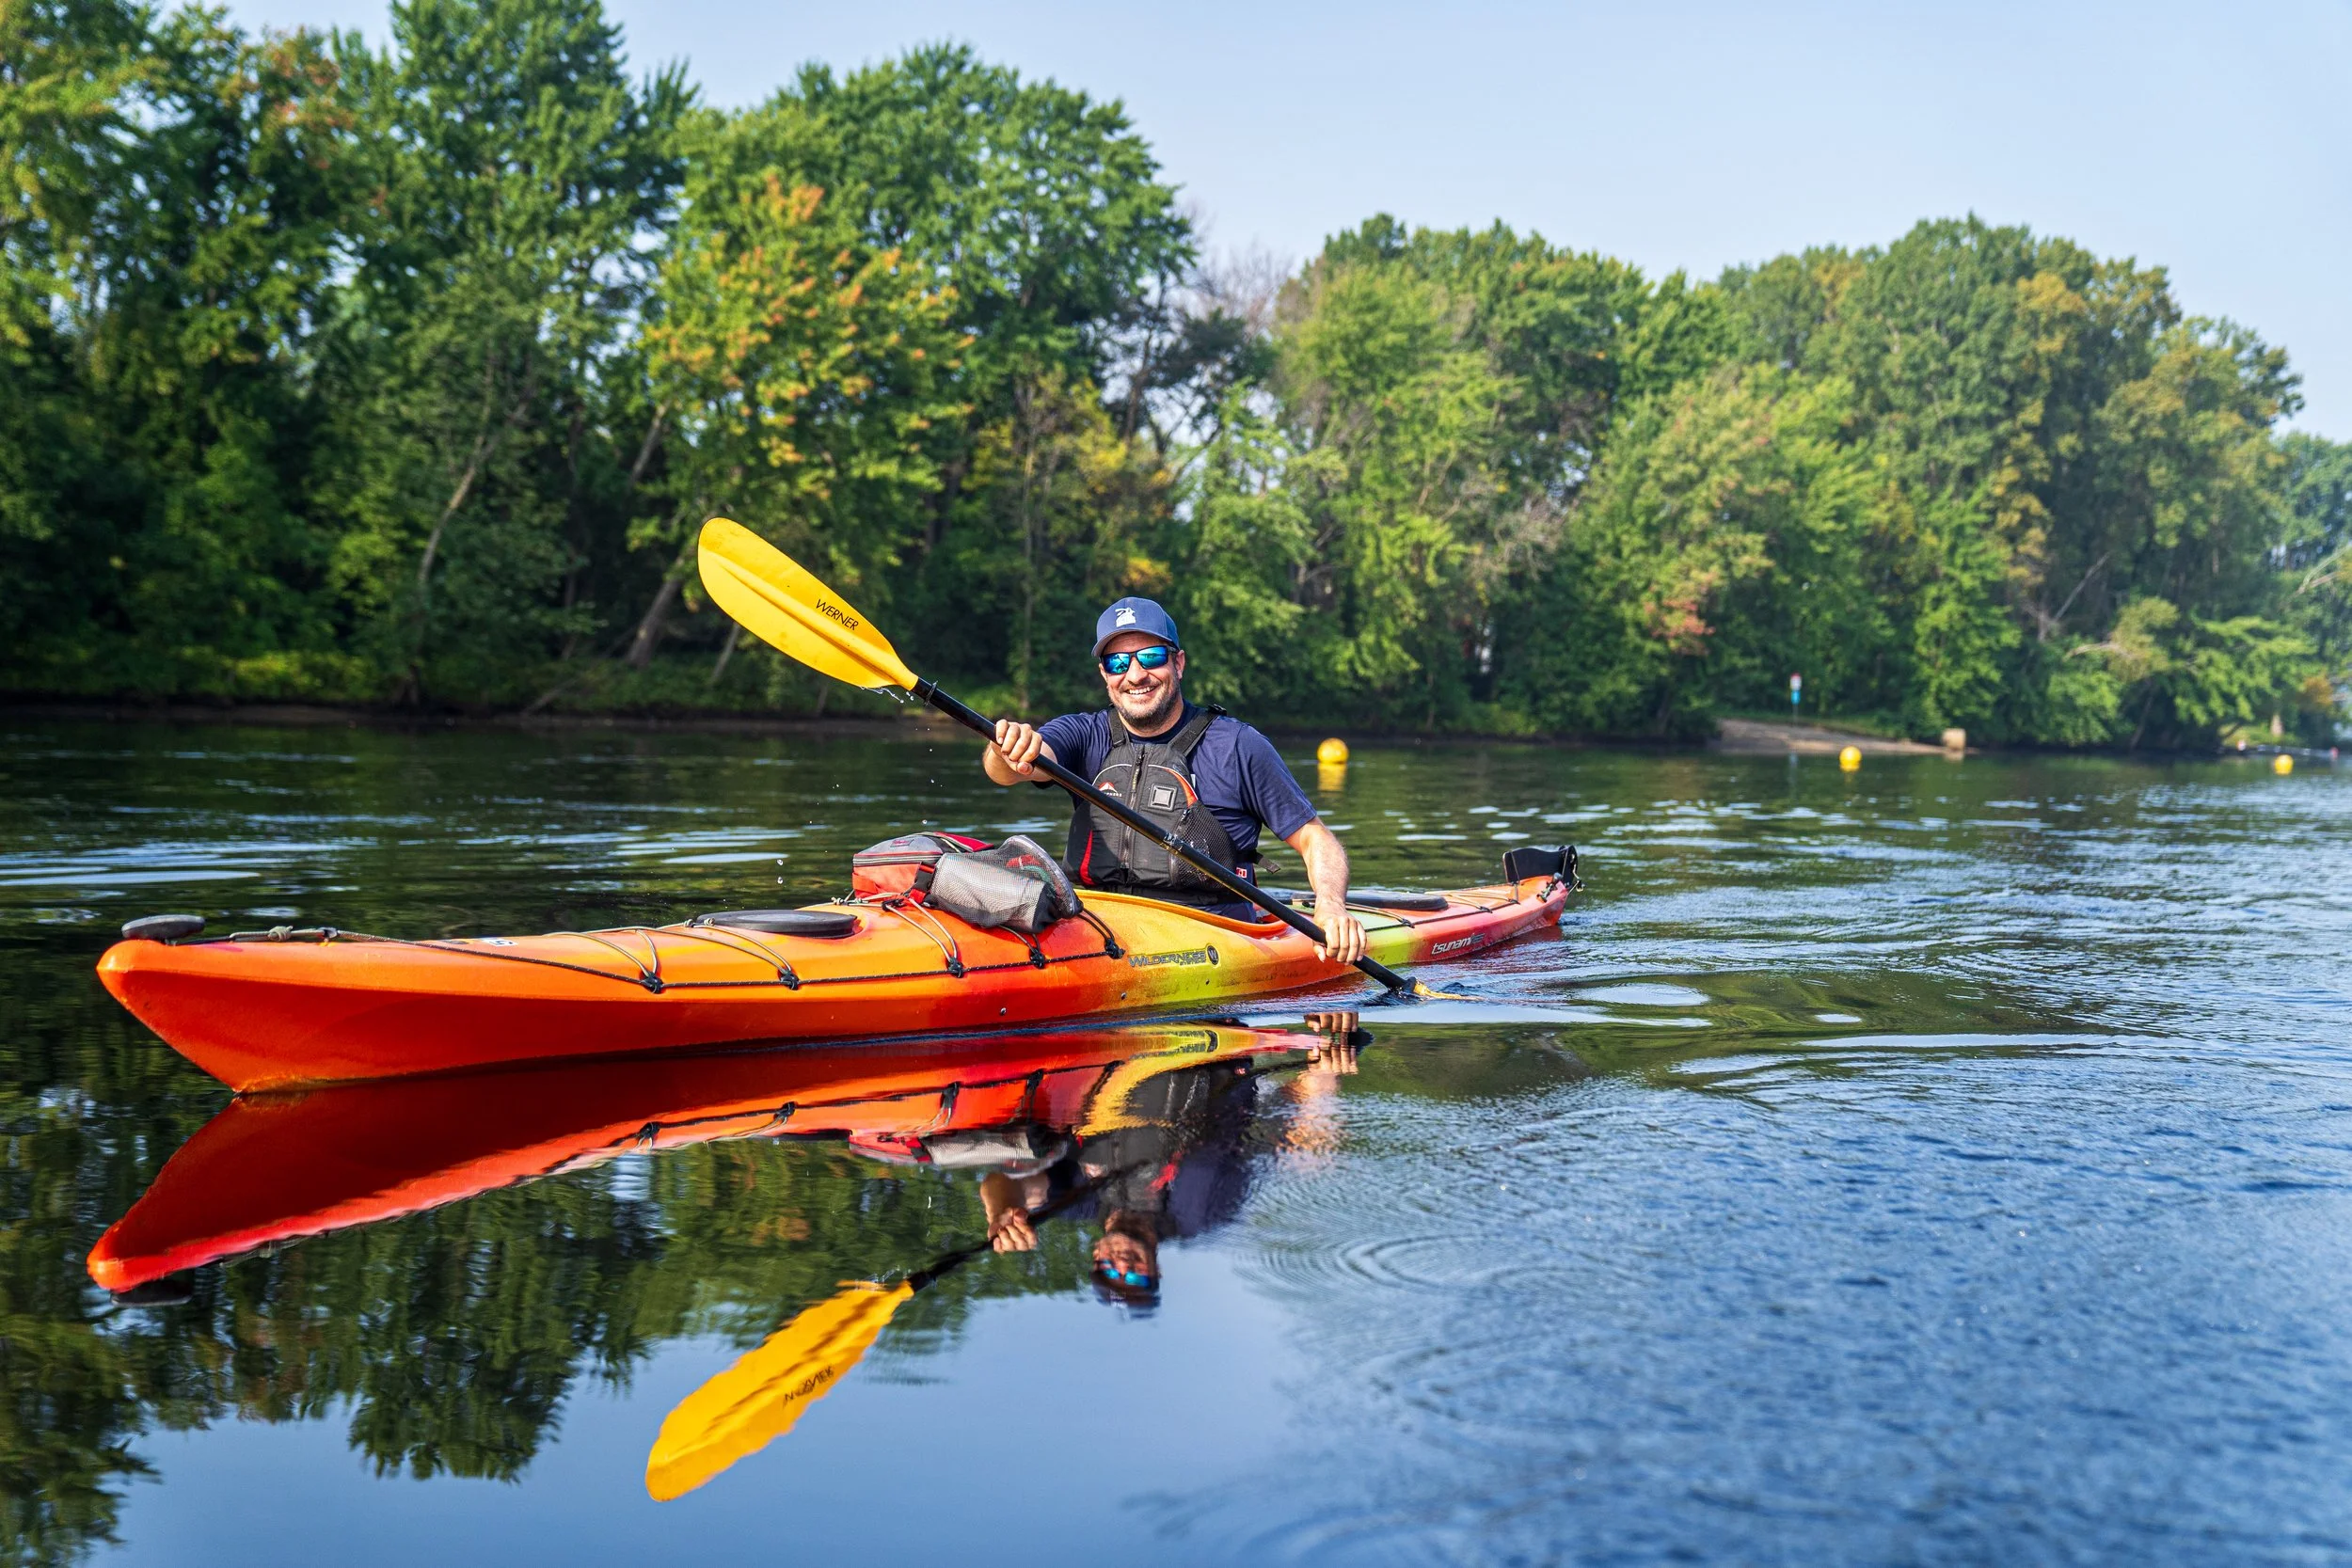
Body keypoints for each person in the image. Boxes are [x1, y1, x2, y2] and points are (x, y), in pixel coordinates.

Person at [980, 596, 1367, 965]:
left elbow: (1315, 837)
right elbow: (1013, 769)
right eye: (1118, 663)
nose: (1135, 675)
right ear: (1105, 674)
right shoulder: (1084, 734)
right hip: (1095, 924)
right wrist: (1008, 751)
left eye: (1150, 657)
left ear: (1178, 663)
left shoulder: (1237, 745)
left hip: (1209, 930)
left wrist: (1330, 906)